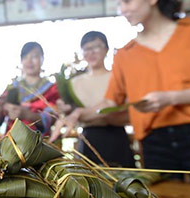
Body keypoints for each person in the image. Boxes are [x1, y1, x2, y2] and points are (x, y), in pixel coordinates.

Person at [57, 0, 190, 191]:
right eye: (120, 4)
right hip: (154, 141)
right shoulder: (125, 54)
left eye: (127, 2)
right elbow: (110, 101)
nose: (123, 9)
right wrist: (79, 113)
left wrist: (170, 98)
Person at [50, 31, 134, 167]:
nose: (91, 52)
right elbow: (70, 114)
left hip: (117, 138)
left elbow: (129, 112)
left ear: (106, 49)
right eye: (87, 49)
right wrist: (67, 110)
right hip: (89, 137)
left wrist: (83, 114)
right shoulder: (74, 83)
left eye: (96, 47)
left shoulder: (117, 78)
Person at [0, 42, 59, 135]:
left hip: (39, 142)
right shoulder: (12, 88)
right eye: (25, 57)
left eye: (34, 56)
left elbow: (54, 118)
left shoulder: (52, 88)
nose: (29, 61)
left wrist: (27, 115)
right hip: (12, 142)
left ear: (42, 59)